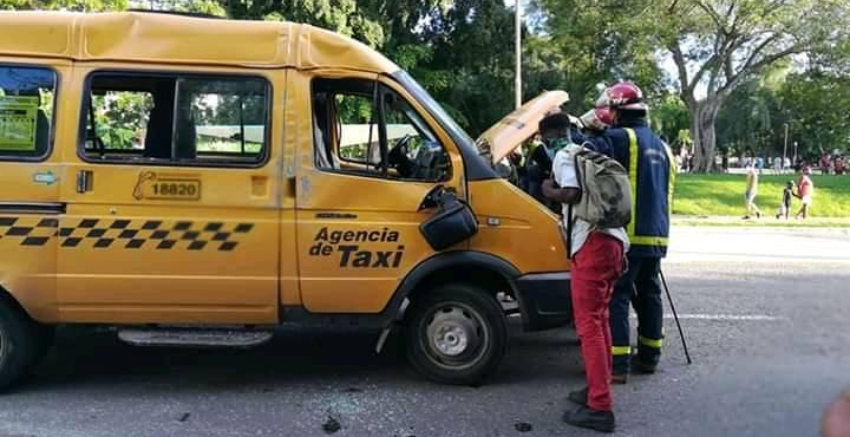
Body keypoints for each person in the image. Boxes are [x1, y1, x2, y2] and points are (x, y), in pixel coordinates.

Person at [540, 112, 628, 434]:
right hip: (615, 243)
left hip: (592, 246)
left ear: (547, 137)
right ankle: (596, 389)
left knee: (588, 326)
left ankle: (600, 408)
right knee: (600, 319)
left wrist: (548, 189)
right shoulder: (588, 152)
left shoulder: (563, 155)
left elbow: (573, 193)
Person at [583, 83, 675, 384]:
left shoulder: (619, 138)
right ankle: (650, 357)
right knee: (649, 293)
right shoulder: (663, 146)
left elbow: (583, 158)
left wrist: (588, 128)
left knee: (617, 297)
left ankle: (617, 363)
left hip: (627, 235)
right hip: (657, 235)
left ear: (618, 110)